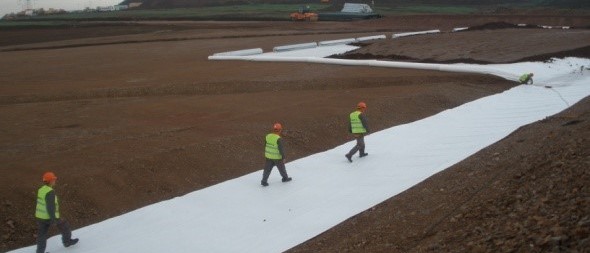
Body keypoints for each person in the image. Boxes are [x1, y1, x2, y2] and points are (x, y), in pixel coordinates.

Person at [36, 172, 79, 253]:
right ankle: (67, 242)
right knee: (65, 226)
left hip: (39, 216)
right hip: (49, 217)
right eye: (54, 179)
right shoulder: (50, 192)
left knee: (42, 235)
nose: (55, 181)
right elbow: (50, 207)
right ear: (51, 181)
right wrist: (53, 219)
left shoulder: (41, 189)